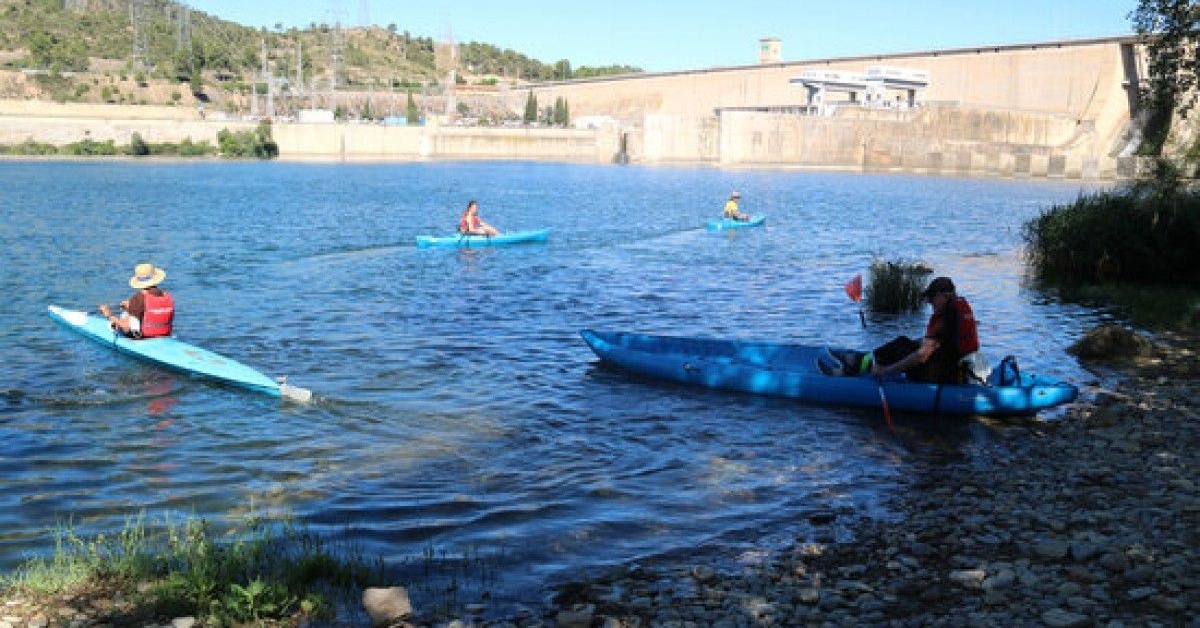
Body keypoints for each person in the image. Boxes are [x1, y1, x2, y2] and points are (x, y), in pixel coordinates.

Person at [869, 276, 981, 384]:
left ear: (945, 296)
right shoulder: (961, 307)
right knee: (905, 342)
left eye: (932, 297)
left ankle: (874, 368)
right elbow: (941, 342)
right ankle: (873, 363)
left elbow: (922, 356)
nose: (930, 302)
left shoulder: (946, 316)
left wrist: (887, 371)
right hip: (959, 369)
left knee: (900, 347)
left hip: (944, 375)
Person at [98, 263, 175, 339]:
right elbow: (150, 310)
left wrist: (109, 315)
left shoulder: (138, 298)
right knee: (128, 313)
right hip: (165, 335)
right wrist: (130, 307)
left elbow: (126, 326)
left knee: (123, 316)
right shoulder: (166, 296)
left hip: (142, 337)